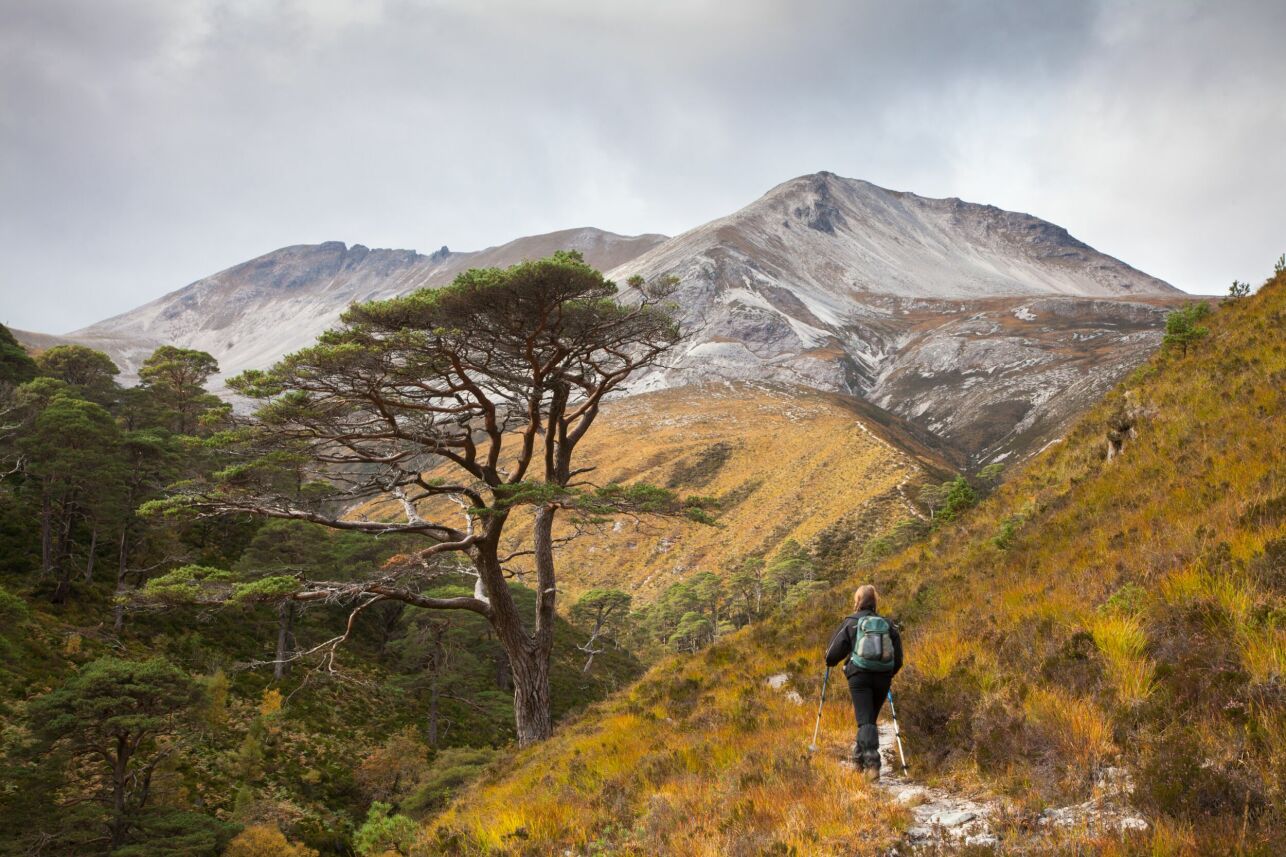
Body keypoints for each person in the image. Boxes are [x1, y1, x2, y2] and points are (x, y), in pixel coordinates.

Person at [825, 584, 903, 781]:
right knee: (868, 719)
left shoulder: (851, 622)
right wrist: (887, 674)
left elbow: (831, 656)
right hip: (883, 677)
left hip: (859, 677)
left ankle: (872, 765)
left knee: (865, 721)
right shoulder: (888, 624)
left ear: (857, 601)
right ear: (875, 601)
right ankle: (858, 761)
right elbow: (898, 659)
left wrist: (837, 662)